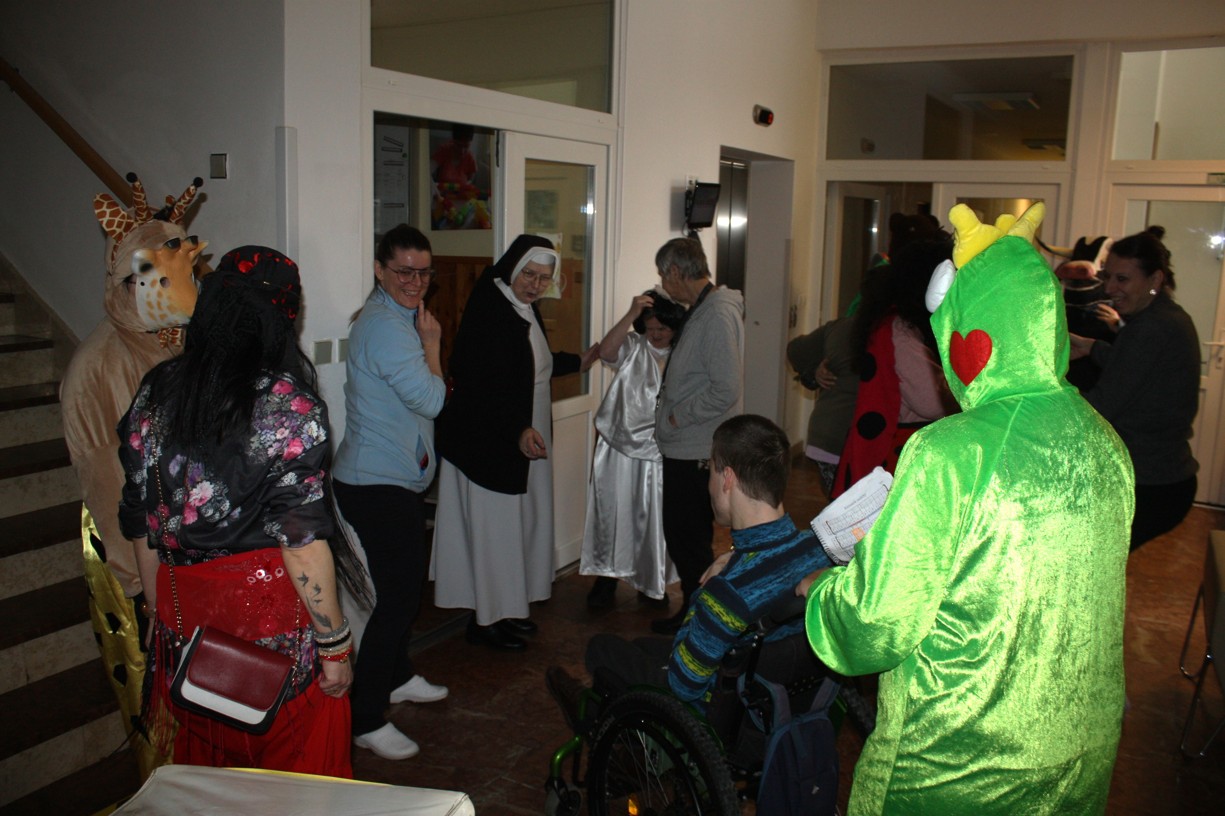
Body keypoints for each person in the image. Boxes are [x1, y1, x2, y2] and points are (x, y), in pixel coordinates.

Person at [803, 204, 1134, 815]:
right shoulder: (1105, 441)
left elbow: (875, 628)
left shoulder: (948, 453)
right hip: (1080, 751)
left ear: (965, 333)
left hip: (961, 759)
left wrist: (823, 594)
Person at [118, 246, 364, 776]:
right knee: (293, 773)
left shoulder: (156, 391)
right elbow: (301, 541)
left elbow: (142, 520)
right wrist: (335, 645)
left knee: (212, 776)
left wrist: (158, 614)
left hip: (186, 621)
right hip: (271, 626)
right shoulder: (288, 404)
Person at [550, 415, 833, 715]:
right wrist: (736, 558)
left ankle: (592, 716)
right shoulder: (819, 550)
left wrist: (702, 599)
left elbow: (683, 685)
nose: (707, 482)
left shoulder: (725, 595)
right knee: (642, 647)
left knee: (602, 648)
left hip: (716, 709)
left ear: (727, 479)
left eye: (709, 468)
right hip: (780, 696)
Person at [433, 235, 599, 650]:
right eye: (529, 274)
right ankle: (485, 619)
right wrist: (517, 430)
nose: (535, 285)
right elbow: (482, 384)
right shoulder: (491, 309)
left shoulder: (521, 307)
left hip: (522, 432)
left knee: (516, 529)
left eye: (544, 278)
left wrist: (579, 361)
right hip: (489, 441)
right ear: (511, 268)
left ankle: (506, 609)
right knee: (494, 531)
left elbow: (534, 364)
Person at [332, 225, 449, 762]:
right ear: (380, 270)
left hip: (389, 480)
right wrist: (433, 347)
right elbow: (431, 401)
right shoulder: (386, 327)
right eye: (403, 271)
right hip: (376, 485)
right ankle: (365, 717)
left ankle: (398, 676)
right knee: (397, 601)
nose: (415, 281)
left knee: (399, 593)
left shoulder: (396, 316)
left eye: (423, 272)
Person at [1069, 226, 1201, 550]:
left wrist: (1042, 390)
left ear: (1155, 279)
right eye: (1108, 276)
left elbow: (1101, 407)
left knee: (1090, 560)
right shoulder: (1167, 317)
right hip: (1167, 478)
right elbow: (1140, 368)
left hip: (1151, 483)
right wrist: (1091, 346)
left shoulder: (1150, 328)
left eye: (1122, 279)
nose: (1109, 288)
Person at [651, 237, 744, 634]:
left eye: (662, 274)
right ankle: (695, 612)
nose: (662, 282)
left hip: (695, 447)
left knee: (687, 539)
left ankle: (700, 621)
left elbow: (726, 388)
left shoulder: (716, 314)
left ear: (675, 271)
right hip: (689, 445)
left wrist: (677, 417)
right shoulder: (703, 310)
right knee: (686, 537)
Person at [831, 235, 958, 498]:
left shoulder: (892, 323)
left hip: (890, 449)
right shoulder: (899, 330)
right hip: (895, 454)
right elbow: (932, 403)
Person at [581, 290, 685, 609]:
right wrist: (630, 314)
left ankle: (651, 583)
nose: (655, 334)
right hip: (619, 446)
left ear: (674, 327)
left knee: (653, 519)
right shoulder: (633, 346)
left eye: (661, 329)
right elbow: (605, 351)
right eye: (649, 328)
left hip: (659, 449)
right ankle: (606, 577)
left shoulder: (682, 354)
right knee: (612, 511)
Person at [786, 315, 857, 494]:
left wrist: (813, 371)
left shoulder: (842, 325)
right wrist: (813, 371)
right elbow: (797, 350)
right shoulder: (894, 331)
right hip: (845, 436)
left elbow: (796, 350)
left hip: (829, 434)